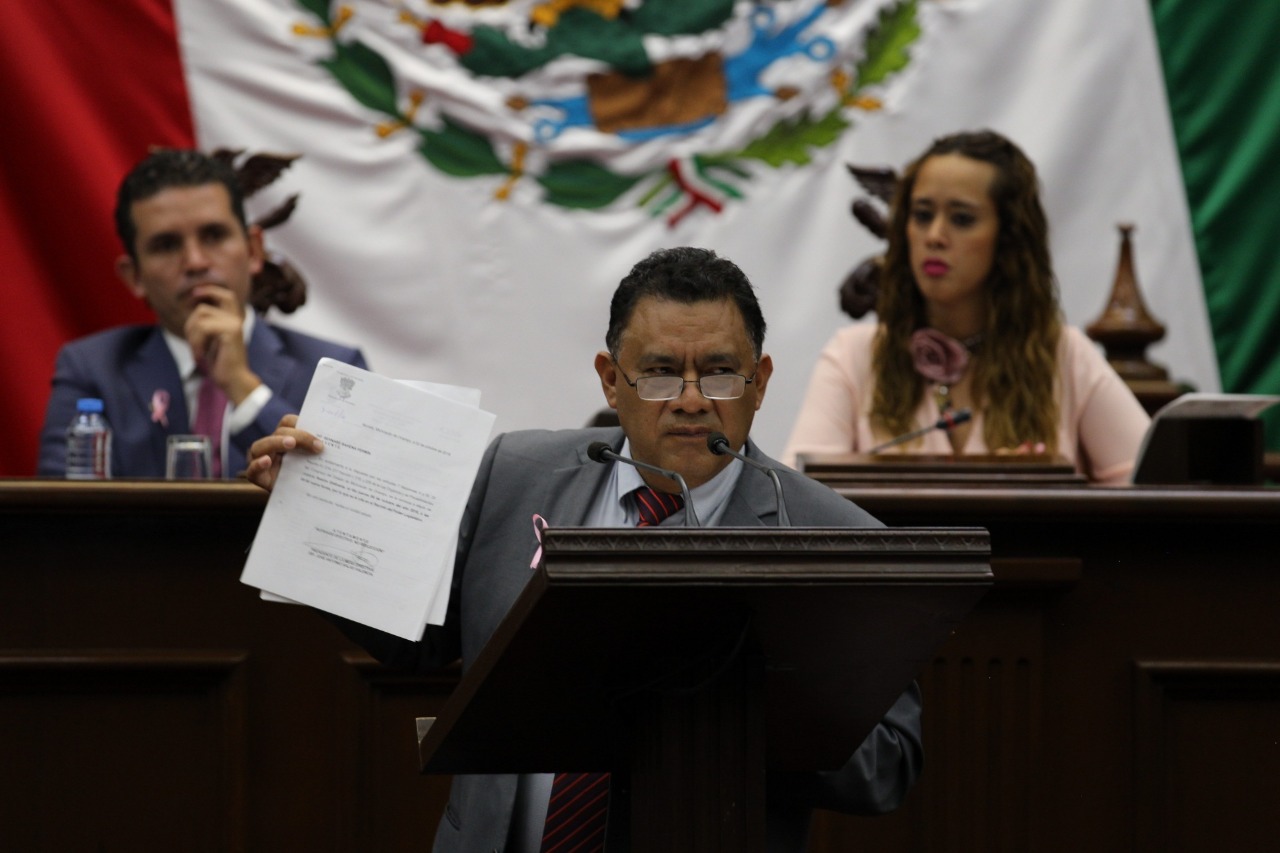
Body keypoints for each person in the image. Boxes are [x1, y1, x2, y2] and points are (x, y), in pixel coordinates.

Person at [247, 246, 923, 852]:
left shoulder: (831, 534)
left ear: (761, 381)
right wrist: (311, 508)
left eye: (720, 373)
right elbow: (419, 641)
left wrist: (735, 690)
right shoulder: (516, 472)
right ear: (610, 379)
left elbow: (888, 766)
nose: (691, 401)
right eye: (660, 374)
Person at [782, 130, 1150, 484]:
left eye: (961, 219)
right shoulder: (853, 357)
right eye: (922, 215)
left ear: (1008, 237)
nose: (934, 236)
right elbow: (794, 501)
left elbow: (1151, 491)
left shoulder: (1064, 356)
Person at [36, 149, 367, 478]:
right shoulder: (93, 370)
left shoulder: (336, 370)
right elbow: (60, 507)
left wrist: (243, 388)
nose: (195, 262)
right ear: (134, 276)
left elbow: (354, 496)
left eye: (214, 236)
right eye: (166, 245)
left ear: (254, 251)